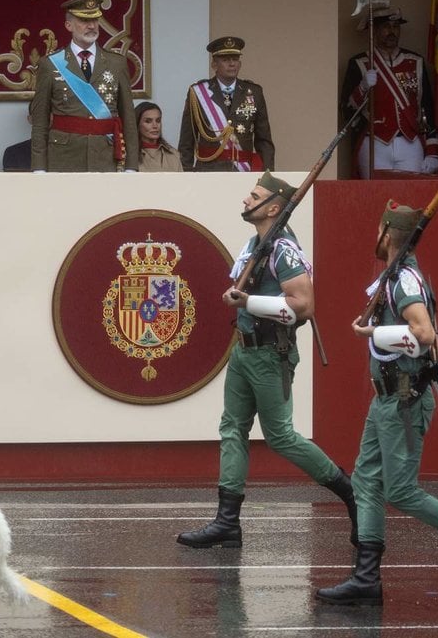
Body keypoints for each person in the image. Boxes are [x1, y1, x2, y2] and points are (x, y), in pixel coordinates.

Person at [315, 200, 438, 606]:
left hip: (402, 402)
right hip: (386, 399)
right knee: (366, 481)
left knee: (400, 491)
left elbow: (425, 335)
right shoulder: (395, 277)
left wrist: (370, 333)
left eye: (378, 230)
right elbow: (435, 351)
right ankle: (366, 577)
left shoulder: (404, 281)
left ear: (386, 233)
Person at [176, 173, 356, 550]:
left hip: (270, 352)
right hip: (244, 349)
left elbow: (303, 305)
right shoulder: (257, 243)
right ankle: (227, 522)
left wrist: (248, 302)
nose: (246, 200)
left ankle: (350, 493)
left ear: (274, 207)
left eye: (254, 196)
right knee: (232, 429)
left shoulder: (283, 249)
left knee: (281, 437)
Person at [29, 0, 138, 173]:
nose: (92, 26)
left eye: (95, 19)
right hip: (63, 158)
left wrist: (132, 166)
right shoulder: (50, 64)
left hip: (105, 158)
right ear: (68, 25)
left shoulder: (117, 63)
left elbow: (128, 119)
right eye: (84, 20)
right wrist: (39, 168)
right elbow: (40, 121)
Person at [340, 6, 438, 177]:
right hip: (375, 142)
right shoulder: (360, 63)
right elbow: (346, 110)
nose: (391, 31)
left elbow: (427, 109)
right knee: (376, 197)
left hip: (410, 142)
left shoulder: (415, 61)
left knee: (410, 198)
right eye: (386, 27)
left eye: (395, 27)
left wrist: (433, 151)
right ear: (374, 30)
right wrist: (363, 87)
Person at [177, 37, 274, 172]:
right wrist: (186, 174)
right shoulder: (197, 93)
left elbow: (264, 141)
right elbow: (186, 142)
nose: (232, 64)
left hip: (243, 172)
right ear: (214, 64)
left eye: (235, 59)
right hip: (208, 173)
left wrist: (267, 175)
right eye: (225, 59)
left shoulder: (254, 92)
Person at [135, 101, 181, 172]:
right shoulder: (129, 156)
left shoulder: (174, 155)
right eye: (148, 121)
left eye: (158, 121)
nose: (155, 126)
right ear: (137, 124)